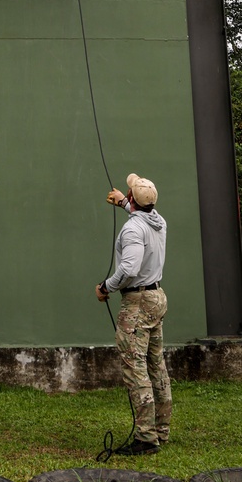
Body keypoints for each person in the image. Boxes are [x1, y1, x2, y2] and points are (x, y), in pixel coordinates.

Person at [96, 174, 172, 454]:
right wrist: (124, 204)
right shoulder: (159, 221)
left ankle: (145, 438)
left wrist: (106, 287)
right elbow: (142, 215)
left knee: (135, 367)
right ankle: (161, 431)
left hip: (138, 302)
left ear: (132, 197)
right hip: (157, 298)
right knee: (156, 365)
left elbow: (128, 269)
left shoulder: (132, 231)